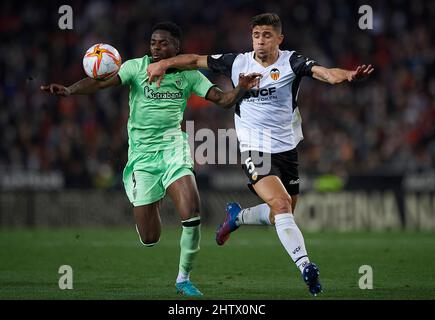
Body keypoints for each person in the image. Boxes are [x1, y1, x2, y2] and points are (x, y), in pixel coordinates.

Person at [146, 13, 374, 296]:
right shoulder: (237, 62)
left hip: (286, 150)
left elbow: (326, 73)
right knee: (281, 205)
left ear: (279, 38)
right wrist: (163, 63)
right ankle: (306, 267)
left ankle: (237, 217)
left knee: (284, 211)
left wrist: (348, 75)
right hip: (254, 148)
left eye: (267, 35)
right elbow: (194, 60)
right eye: (256, 36)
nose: (260, 41)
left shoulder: (291, 62)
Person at [41, 21, 261, 297]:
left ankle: (183, 279)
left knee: (192, 211)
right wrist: (71, 90)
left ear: (176, 47)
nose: (156, 47)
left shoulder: (189, 75)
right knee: (149, 238)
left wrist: (240, 87)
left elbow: (224, 100)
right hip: (142, 156)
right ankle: (149, 196)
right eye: (153, 42)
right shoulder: (136, 67)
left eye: (163, 43)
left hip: (174, 148)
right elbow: (102, 83)